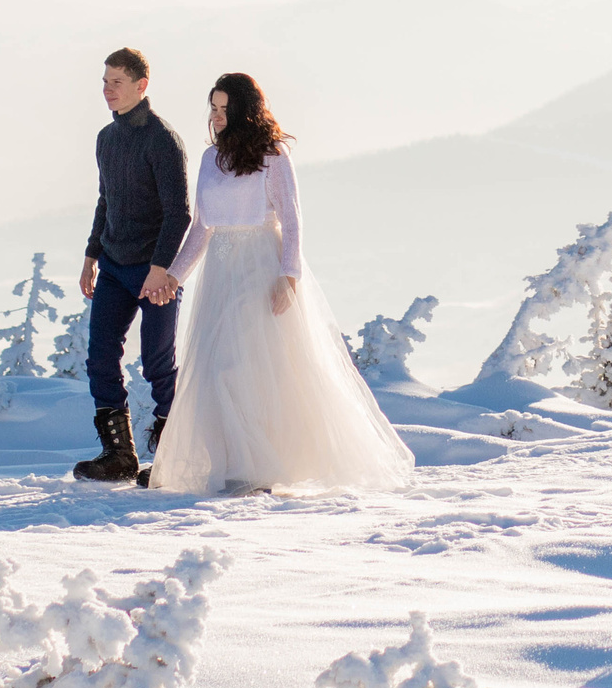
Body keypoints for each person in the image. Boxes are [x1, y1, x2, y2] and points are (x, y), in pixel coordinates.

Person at [142, 72, 416, 495]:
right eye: (212, 108)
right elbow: (201, 227)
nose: (215, 117)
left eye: (224, 109)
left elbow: (292, 219)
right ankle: (235, 465)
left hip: (260, 267)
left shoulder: (273, 157)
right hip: (219, 272)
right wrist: (175, 276)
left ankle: (260, 471)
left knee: (248, 367)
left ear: (244, 112)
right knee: (216, 369)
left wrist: (288, 276)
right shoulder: (208, 161)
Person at [71, 48, 190, 483]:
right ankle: (118, 455)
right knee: (101, 356)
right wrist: (90, 256)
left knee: (159, 363)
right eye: (104, 81)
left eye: (116, 82)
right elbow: (107, 200)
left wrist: (162, 269)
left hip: (154, 270)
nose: (107, 89)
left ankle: (174, 457)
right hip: (115, 267)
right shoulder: (106, 137)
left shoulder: (162, 139)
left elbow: (179, 212)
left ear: (141, 86)